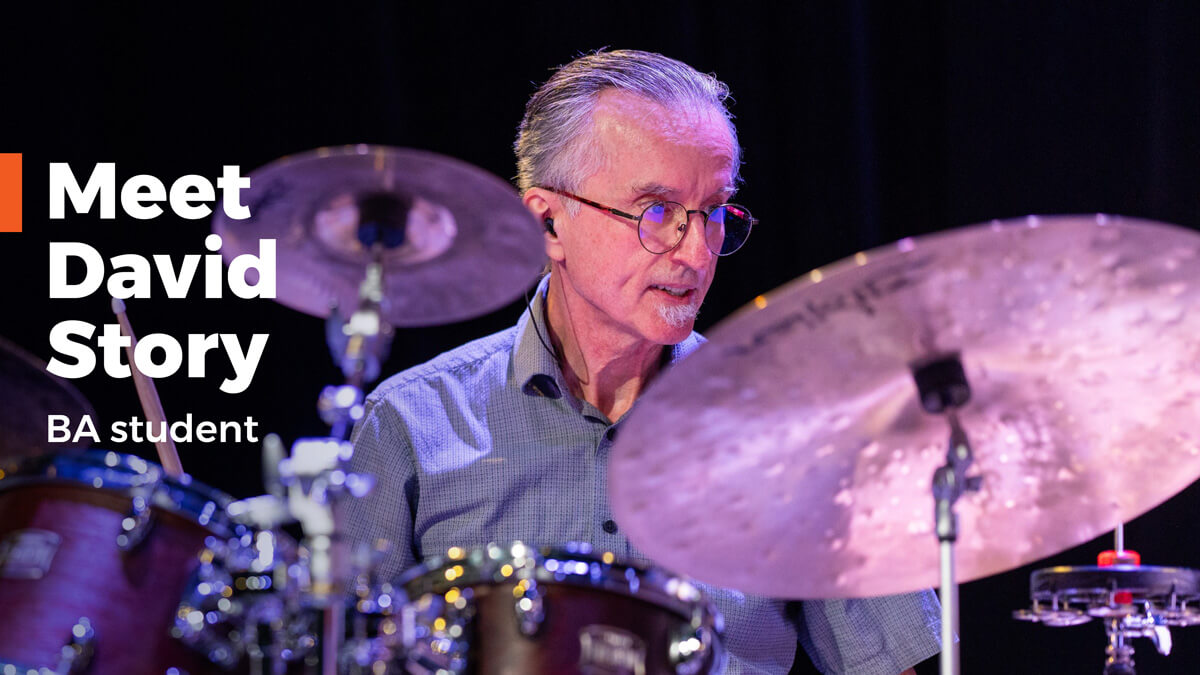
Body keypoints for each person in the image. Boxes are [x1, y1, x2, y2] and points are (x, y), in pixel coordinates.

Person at [344, 49, 941, 674]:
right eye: (657, 212)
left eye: (713, 213)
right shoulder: (410, 424)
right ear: (548, 224)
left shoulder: (795, 425)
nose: (695, 252)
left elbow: (893, 663)